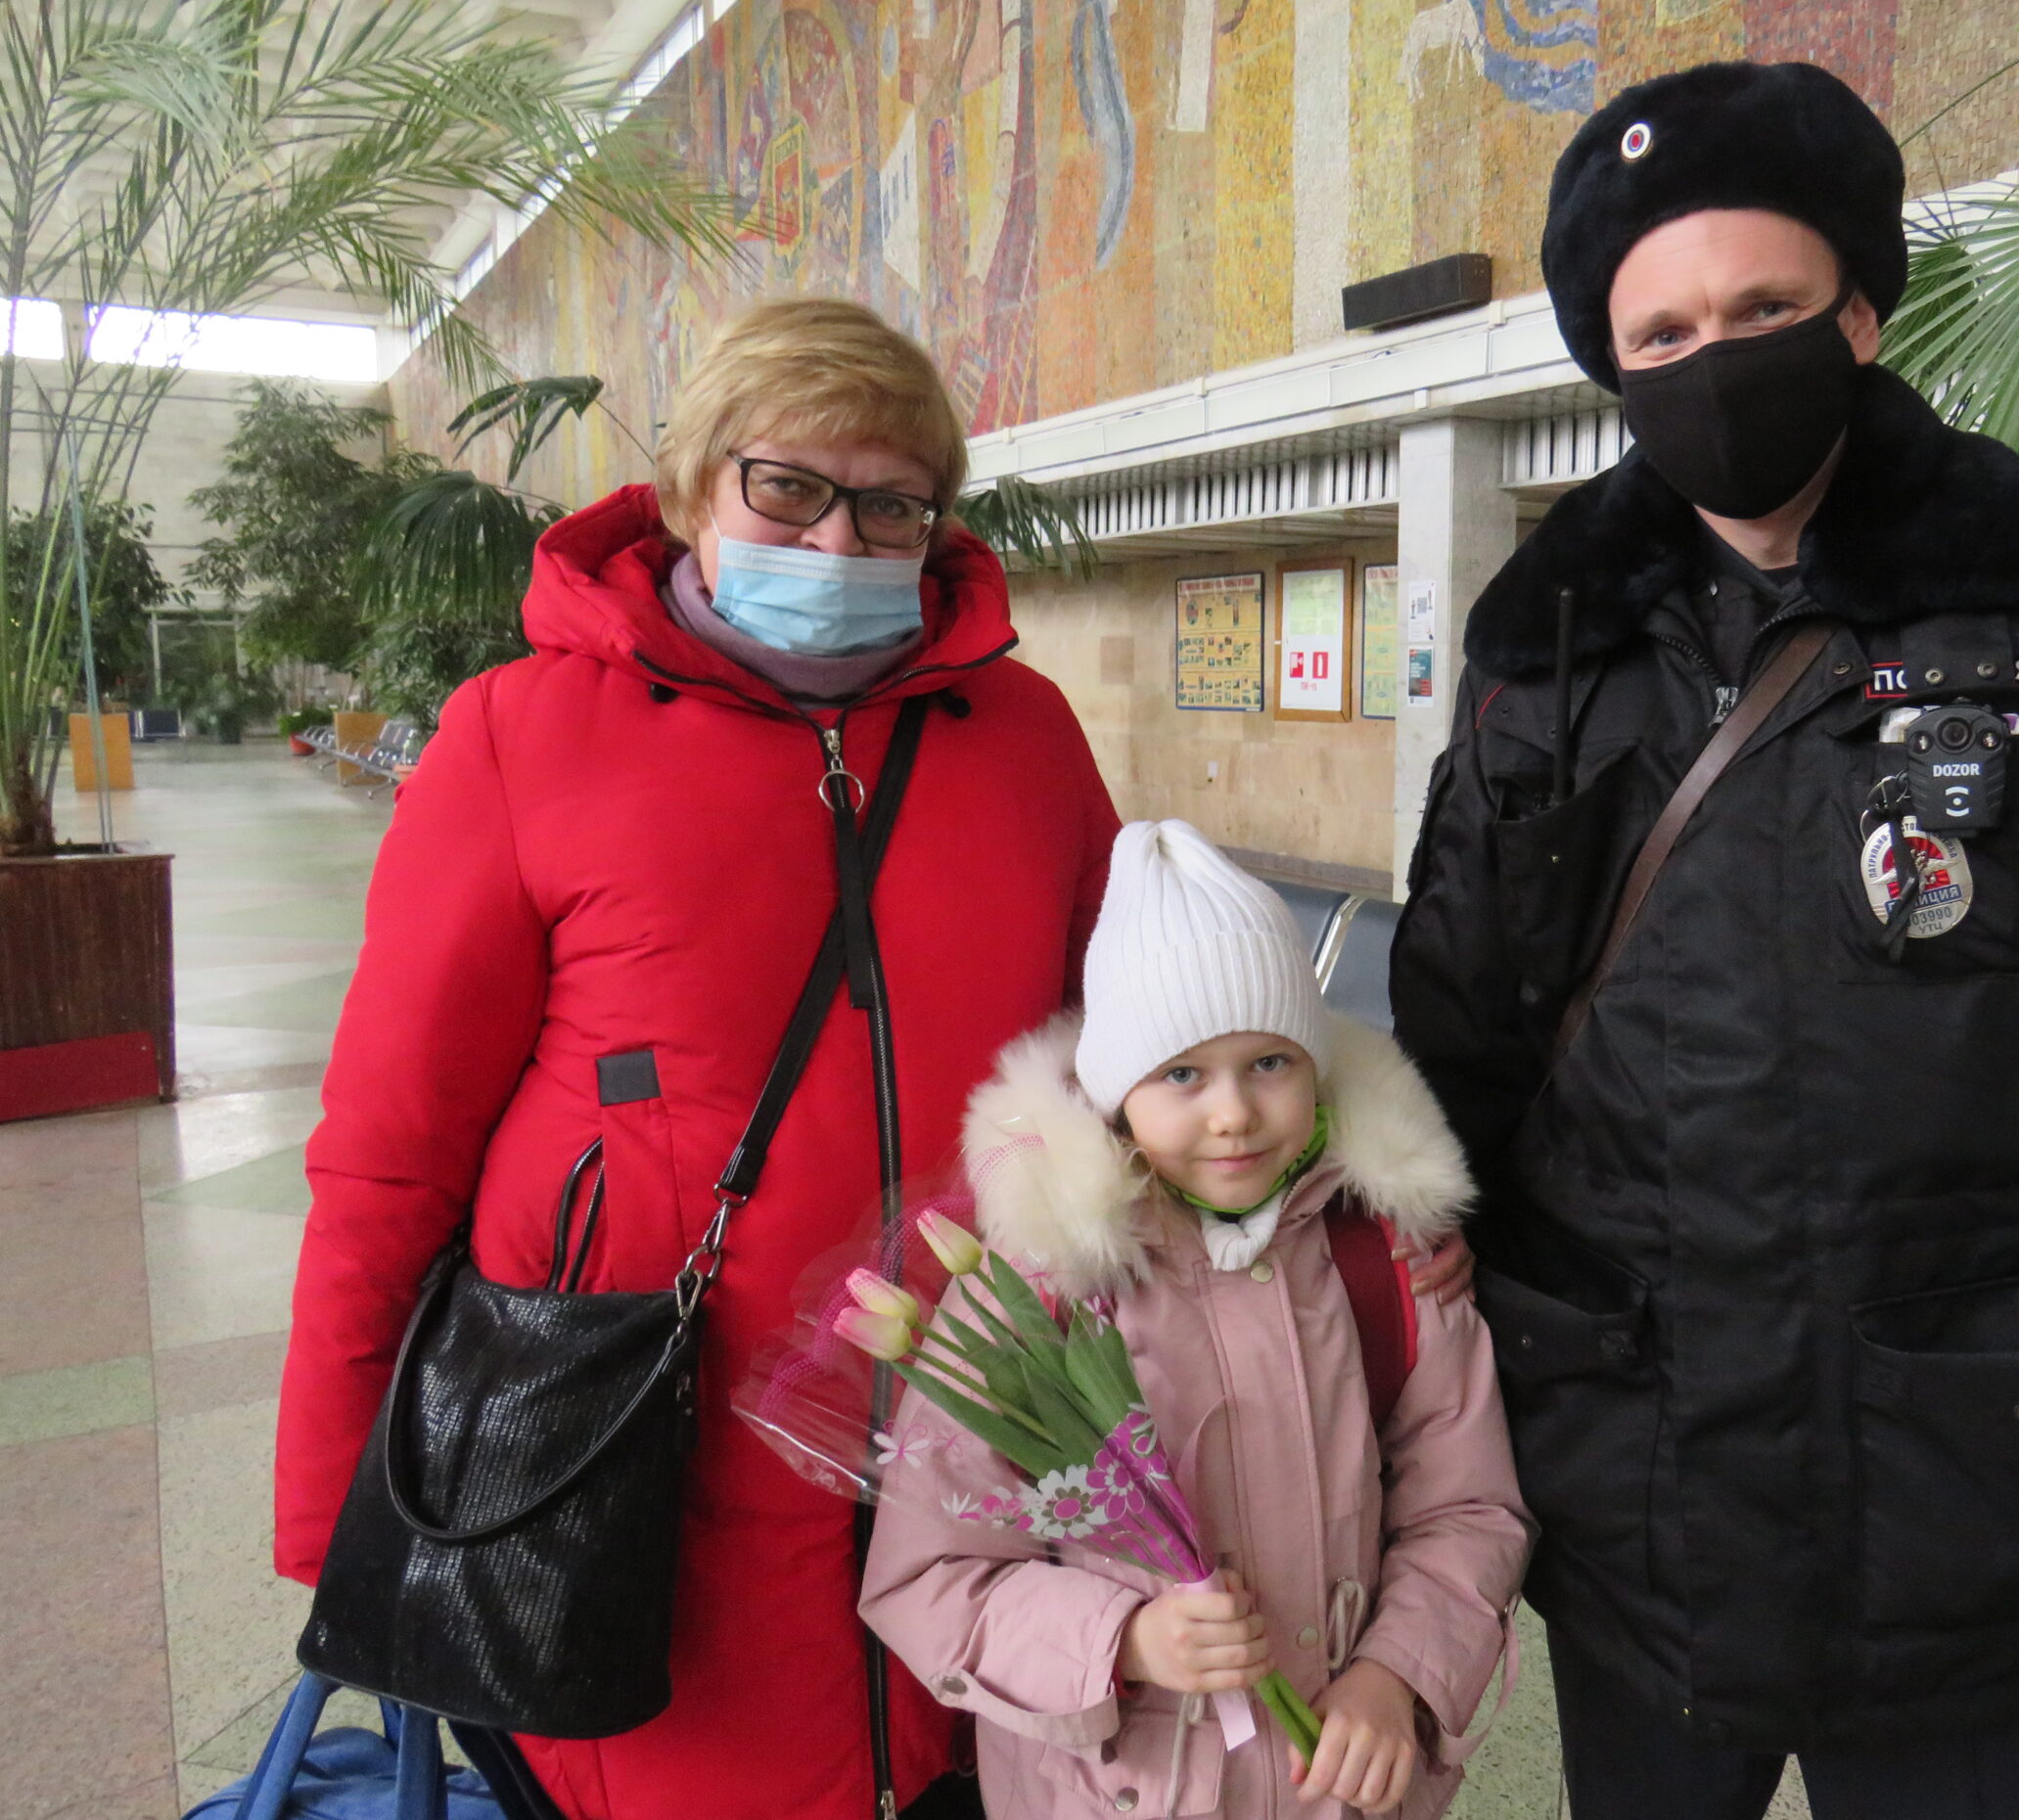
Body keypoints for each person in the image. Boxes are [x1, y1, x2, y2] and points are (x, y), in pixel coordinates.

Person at [1390, 62, 2019, 1819]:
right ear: (1613, 361)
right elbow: (1459, 1041)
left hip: (1976, 1488)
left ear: (1857, 310)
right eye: (1664, 329)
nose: (1715, 358)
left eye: (1762, 307)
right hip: (1635, 1477)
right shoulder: (1543, 651)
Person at [275, 299, 1126, 1820]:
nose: (839, 539)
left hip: (980, 1459)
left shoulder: (1024, 737)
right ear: (688, 491)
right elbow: (390, 1149)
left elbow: (1140, 1059)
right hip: (639, 1481)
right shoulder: (521, 735)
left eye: (892, 505)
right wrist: (342, 1502)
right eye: (786, 486)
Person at [862, 820, 1533, 1820]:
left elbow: (1468, 1507)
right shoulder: (1039, 1291)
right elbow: (929, 1573)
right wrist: (1121, 1642)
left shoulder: (1384, 1258)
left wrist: (1397, 1673)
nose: (1233, 1114)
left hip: (1337, 1790)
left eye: (1270, 1062)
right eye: (1181, 1073)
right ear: (1115, 1093)